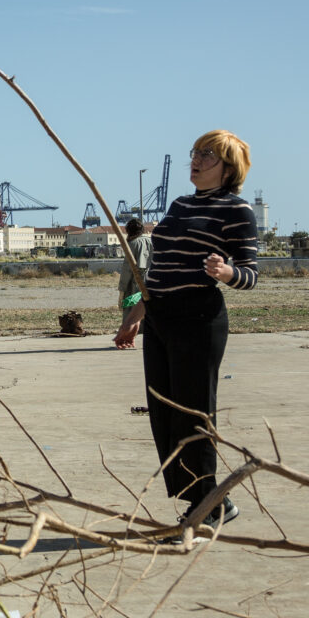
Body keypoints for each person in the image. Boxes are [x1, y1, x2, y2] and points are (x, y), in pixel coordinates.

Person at [114, 131, 259, 536]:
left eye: (207, 156)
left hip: (199, 317)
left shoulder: (237, 210)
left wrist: (227, 273)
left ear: (228, 167)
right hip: (161, 317)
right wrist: (136, 314)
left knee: (194, 414)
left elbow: (251, 273)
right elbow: (159, 272)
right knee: (164, 413)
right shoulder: (179, 205)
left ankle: (206, 507)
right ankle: (210, 500)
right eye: (194, 153)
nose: (196, 161)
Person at [114, 218, 152, 346]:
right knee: (149, 310)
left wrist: (122, 291)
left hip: (135, 284)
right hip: (151, 280)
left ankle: (127, 336)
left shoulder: (132, 244)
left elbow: (127, 269)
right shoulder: (151, 241)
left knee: (131, 311)